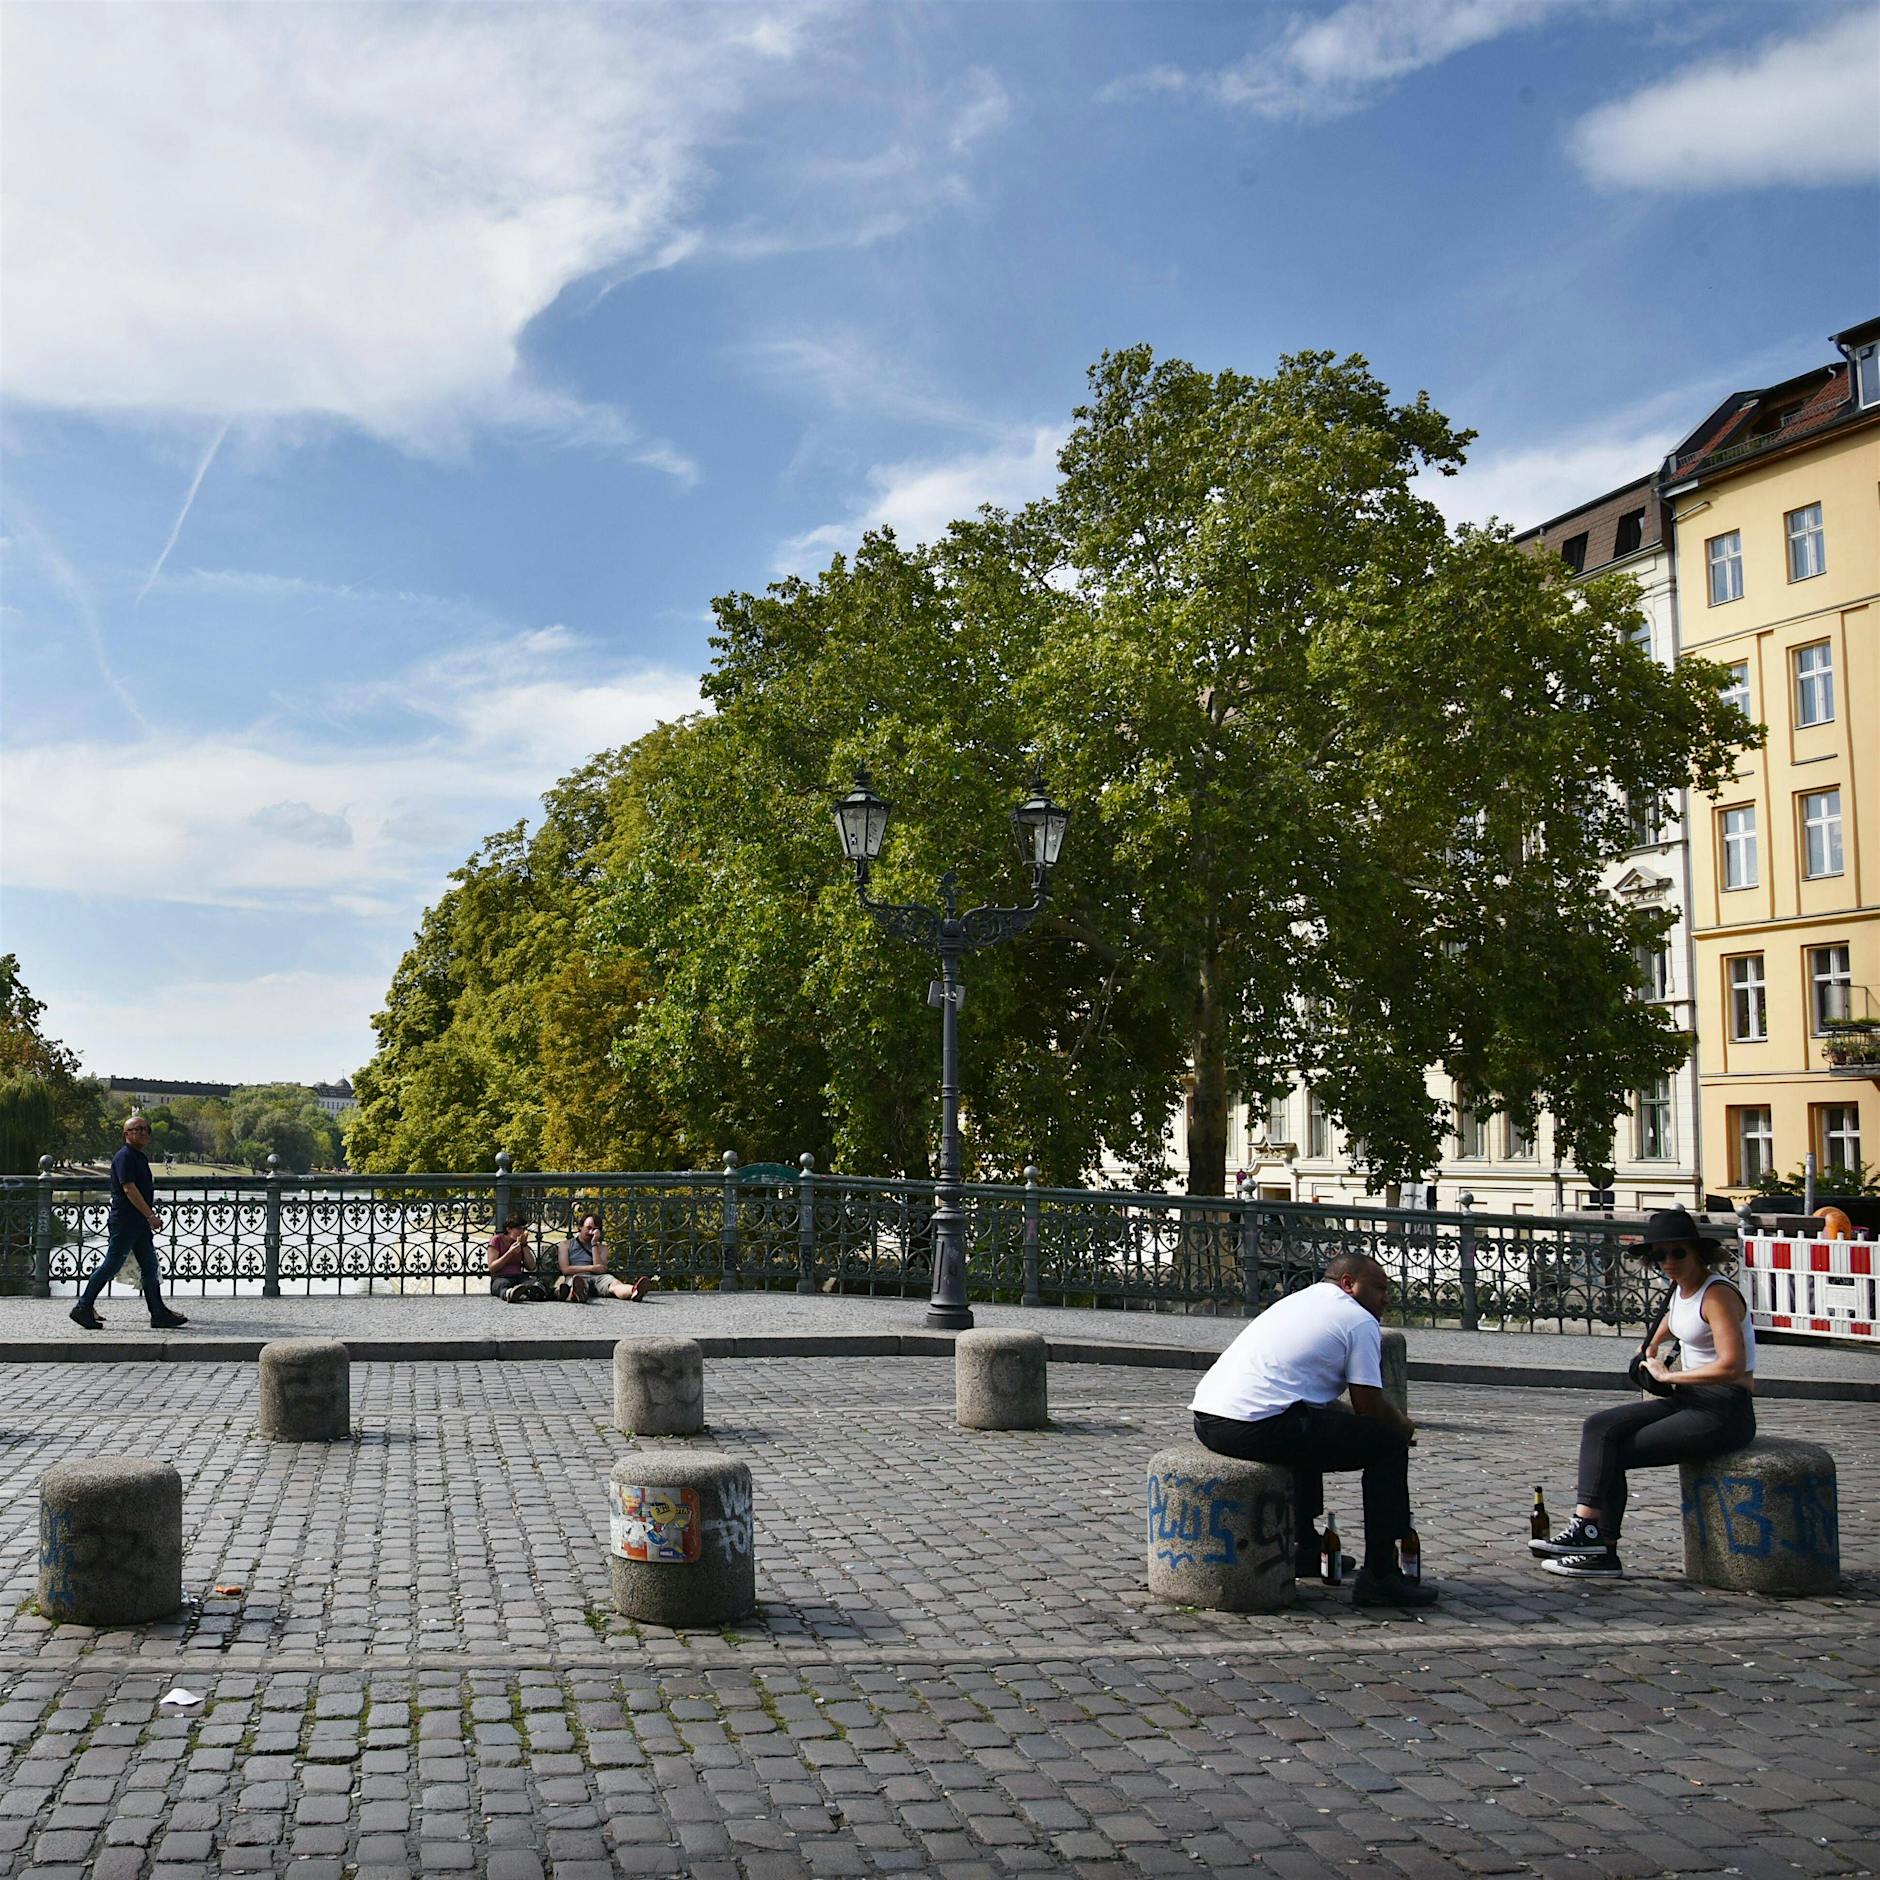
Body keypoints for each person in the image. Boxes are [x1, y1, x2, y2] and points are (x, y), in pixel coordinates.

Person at [1191, 1251, 1434, 1608]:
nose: (1386, 1298)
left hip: (1210, 1419)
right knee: (1388, 1445)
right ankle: (1381, 1574)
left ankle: (1305, 1546)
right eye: (1379, 1288)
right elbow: (1369, 1407)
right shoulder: (1358, 1320)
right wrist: (1402, 1423)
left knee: (1309, 1423)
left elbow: (1317, 1400)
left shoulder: (1297, 1302)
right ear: (1349, 1284)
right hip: (1253, 1424)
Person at [1533, 1206, 1755, 1579]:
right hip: (1690, 1400)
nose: (1669, 1261)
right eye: (1659, 1255)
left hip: (1725, 1411)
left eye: (1678, 1252)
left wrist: (1668, 1377)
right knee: (1599, 1427)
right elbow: (1674, 1322)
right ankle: (1590, 1537)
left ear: (1698, 1252)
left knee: (1614, 1452)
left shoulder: (1716, 1295)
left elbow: (1732, 1366)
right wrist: (1650, 1349)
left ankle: (1598, 1545)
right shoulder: (1681, 1291)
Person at [69, 1116, 189, 1330]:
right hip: (126, 1222)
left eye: (146, 1129)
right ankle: (82, 1307)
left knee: (150, 1267)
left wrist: (146, 1218)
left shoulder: (138, 1156)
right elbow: (129, 1189)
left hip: (137, 1223)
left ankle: (158, 1313)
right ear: (126, 1134)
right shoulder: (125, 1157)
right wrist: (150, 1215)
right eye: (137, 1129)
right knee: (111, 1265)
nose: (143, 1132)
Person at [553, 1214, 652, 1303]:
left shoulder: (602, 1248)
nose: (591, 1232)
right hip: (577, 1277)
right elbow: (565, 1269)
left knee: (614, 1284)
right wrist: (592, 1268)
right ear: (580, 1227)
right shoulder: (566, 1245)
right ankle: (579, 1294)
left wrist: (594, 1244)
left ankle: (634, 1291)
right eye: (588, 1228)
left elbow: (601, 1269)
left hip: (598, 1278)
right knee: (576, 1283)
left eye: (595, 1229)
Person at [487, 1215, 546, 1303]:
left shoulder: (520, 1242)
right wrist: (509, 1253)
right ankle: (510, 1294)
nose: (522, 1232)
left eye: (524, 1229)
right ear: (508, 1229)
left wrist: (524, 1245)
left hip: (518, 1277)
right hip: (500, 1277)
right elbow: (492, 1267)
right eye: (519, 1229)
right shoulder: (496, 1240)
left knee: (535, 1285)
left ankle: (555, 1293)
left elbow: (531, 1266)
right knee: (503, 1285)